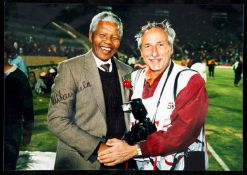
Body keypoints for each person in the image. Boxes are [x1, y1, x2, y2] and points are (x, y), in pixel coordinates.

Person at [98, 20, 208, 171]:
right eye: (147, 46)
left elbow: (183, 132)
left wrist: (134, 150)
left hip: (181, 164)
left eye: (160, 45)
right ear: (141, 51)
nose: (154, 52)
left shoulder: (189, 80)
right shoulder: (133, 78)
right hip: (141, 164)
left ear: (170, 48)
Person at [47, 11, 133, 170]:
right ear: (91, 35)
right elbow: (56, 120)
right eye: (102, 35)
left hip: (121, 160)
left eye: (115, 37)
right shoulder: (70, 68)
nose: (108, 42)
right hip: (82, 162)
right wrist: (98, 147)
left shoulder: (128, 71)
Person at [4, 43, 34, 170]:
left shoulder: (19, 77)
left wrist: (27, 132)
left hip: (11, 129)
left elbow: (27, 107)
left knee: (8, 164)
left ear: (5, 54)